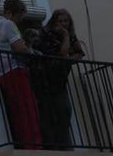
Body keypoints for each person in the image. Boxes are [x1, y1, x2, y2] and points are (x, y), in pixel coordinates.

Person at [0, 0, 42, 149]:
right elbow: (20, 48)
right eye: (19, 17)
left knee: (18, 110)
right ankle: (34, 146)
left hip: (1, 73)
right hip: (14, 70)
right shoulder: (8, 24)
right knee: (28, 109)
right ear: (10, 13)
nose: (19, 21)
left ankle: (26, 144)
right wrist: (32, 51)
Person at [35, 8, 85, 149]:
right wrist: (66, 37)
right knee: (49, 115)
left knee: (64, 113)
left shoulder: (71, 35)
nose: (64, 24)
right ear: (54, 22)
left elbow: (80, 54)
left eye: (66, 21)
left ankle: (65, 147)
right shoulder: (47, 34)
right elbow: (63, 53)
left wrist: (68, 57)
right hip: (45, 81)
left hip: (60, 81)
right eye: (60, 21)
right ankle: (53, 148)